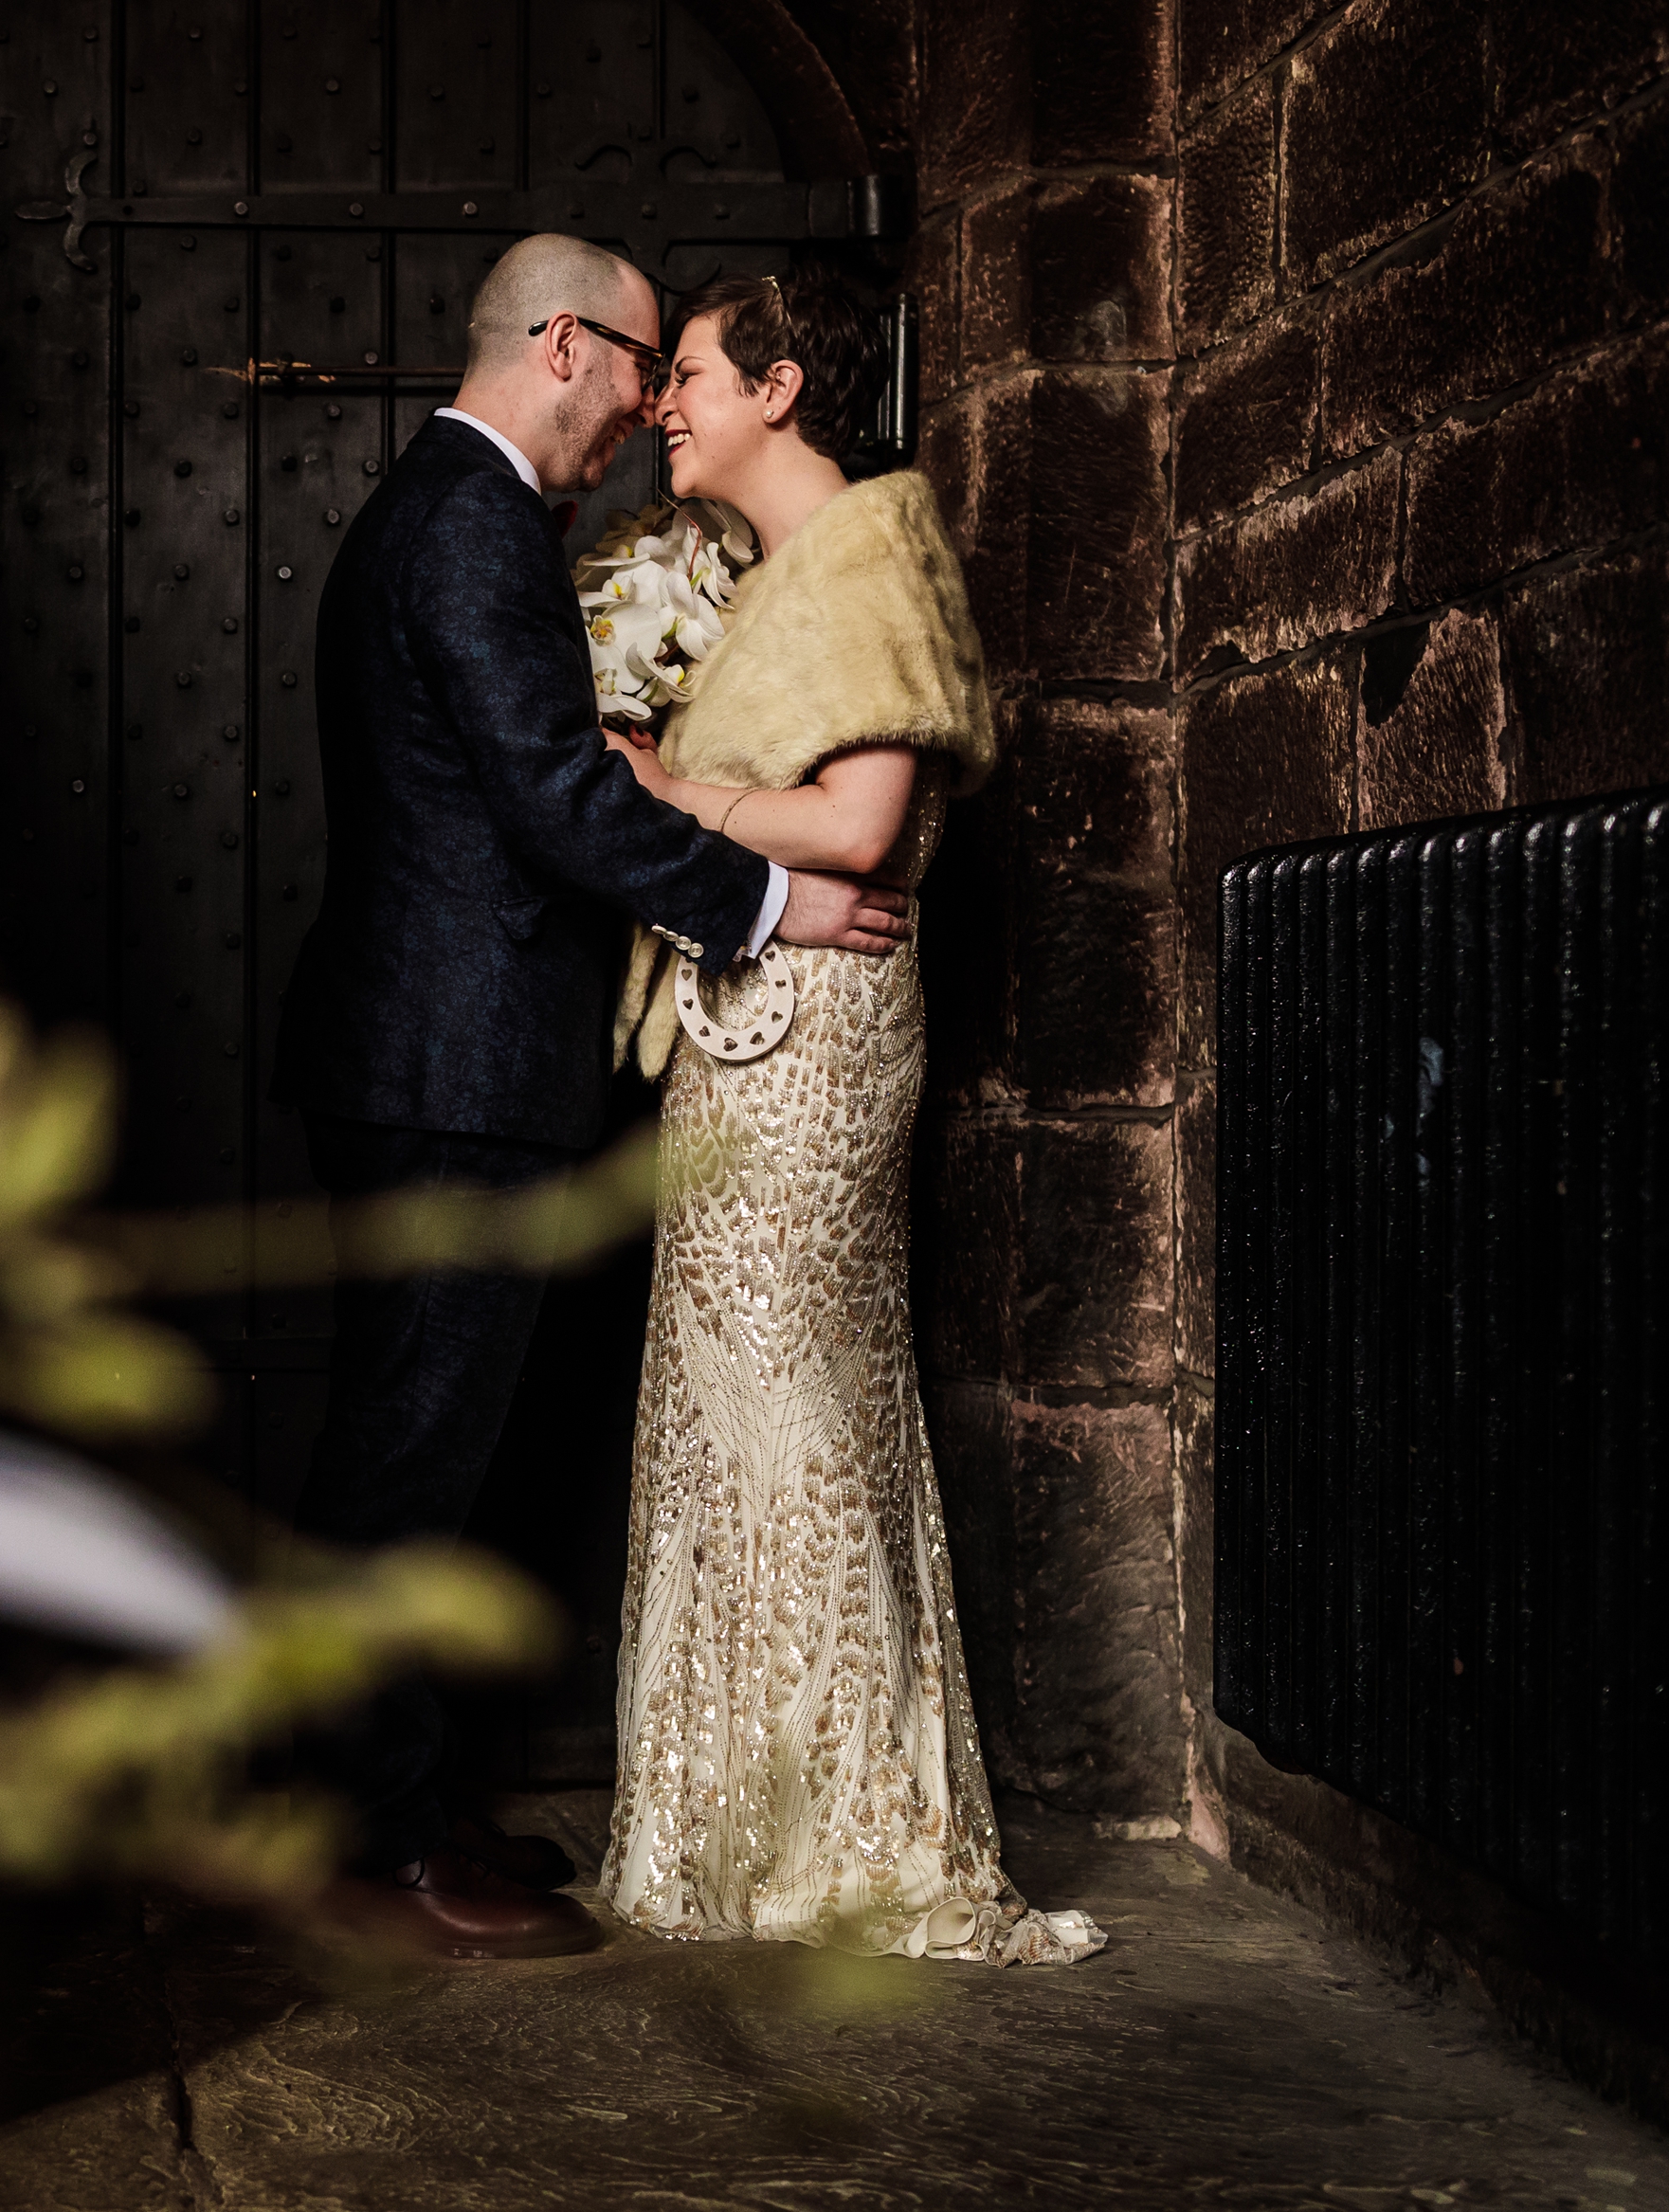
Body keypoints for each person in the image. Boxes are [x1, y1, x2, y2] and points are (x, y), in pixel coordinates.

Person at [269, 234, 915, 1962]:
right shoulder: (469, 518)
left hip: (434, 1057)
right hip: (447, 1067)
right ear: (565, 342)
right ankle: (368, 1841)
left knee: (419, 1447)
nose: (642, 417)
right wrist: (782, 899)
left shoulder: (446, 509)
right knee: (408, 1458)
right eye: (638, 373)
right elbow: (556, 794)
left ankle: (388, 1792)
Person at [593, 264, 1100, 1967]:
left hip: (818, 1025)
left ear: (784, 386)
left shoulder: (874, 556)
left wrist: (675, 792)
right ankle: (723, 1828)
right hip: (746, 1016)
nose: (664, 402)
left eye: (693, 375)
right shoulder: (755, 574)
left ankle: (849, 1838)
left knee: (797, 1398)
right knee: (722, 1397)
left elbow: (865, 822)